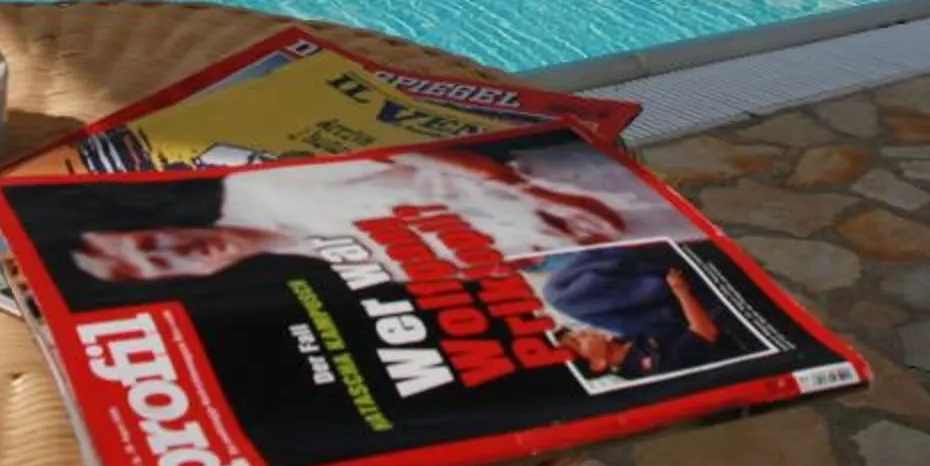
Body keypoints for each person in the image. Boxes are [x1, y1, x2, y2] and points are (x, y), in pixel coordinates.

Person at [71, 136, 701, 285]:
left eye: (151, 242)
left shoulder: (261, 186)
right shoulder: (310, 268)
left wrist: (532, 193)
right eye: (159, 268)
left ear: (151, 224)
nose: (172, 254)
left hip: (571, 187)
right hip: (579, 248)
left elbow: (426, 152)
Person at [535, 247, 732, 381]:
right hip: (707, 308)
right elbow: (705, 332)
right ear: (598, 364)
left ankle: (611, 246)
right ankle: (617, 249)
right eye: (577, 343)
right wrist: (680, 290)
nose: (578, 334)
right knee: (558, 295)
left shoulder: (622, 342)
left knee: (556, 294)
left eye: (571, 334)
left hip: (665, 296)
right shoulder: (647, 367)